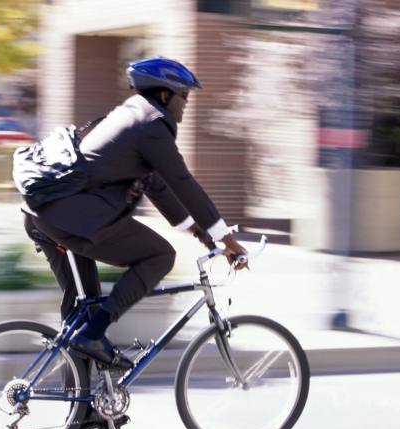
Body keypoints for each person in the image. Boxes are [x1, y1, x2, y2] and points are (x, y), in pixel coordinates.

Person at [23, 56, 247, 369]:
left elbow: (155, 186)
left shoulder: (129, 116)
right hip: (75, 219)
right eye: (185, 95)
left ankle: (83, 410)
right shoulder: (152, 126)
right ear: (165, 95)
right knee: (159, 256)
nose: (186, 104)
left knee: (82, 313)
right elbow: (182, 181)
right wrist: (228, 238)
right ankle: (93, 335)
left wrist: (201, 234)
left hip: (47, 214)